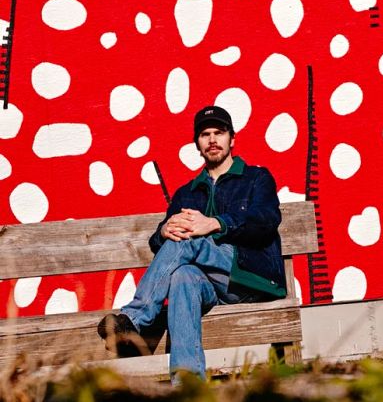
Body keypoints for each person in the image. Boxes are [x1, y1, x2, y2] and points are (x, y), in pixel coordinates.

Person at [97, 105, 286, 381]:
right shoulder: (187, 192)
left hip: (250, 277)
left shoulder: (256, 178)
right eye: (205, 134)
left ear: (231, 138)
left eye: (219, 133)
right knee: (183, 276)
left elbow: (266, 220)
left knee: (187, 240)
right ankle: (188, 387)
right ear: (197, 143)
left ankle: (135, 319)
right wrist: (162, 232)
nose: (212, 140)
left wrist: (216, 223)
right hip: (209, 287)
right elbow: (162, 245)